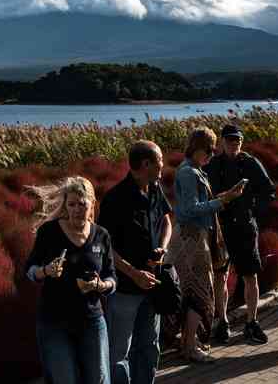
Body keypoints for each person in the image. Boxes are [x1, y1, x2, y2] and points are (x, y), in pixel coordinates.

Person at [25, 176, 117, 384]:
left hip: (92, 320)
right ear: (65, 205)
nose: (76, 209)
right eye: (71, 204)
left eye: (82, 203)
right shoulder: (49, 232)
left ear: (92, 203)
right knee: (65, 379)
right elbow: (29, 271)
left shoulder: (102, 235)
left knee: (99, 379)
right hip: (54, 322)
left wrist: (101, 285)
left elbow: (112, 277)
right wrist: (46, 271)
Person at [168, 127, 244, 363]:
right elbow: (191, 210)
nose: (212, 155)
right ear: (198, 148)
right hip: (192, 239)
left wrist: (224, 196)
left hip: (195, 237)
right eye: (209, 150)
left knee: (195, 291)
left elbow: (198, 204)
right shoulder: (189, 173)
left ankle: (188, 342)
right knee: (198, 292)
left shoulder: (193, 170)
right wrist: (224, 201)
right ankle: (190, 346)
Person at [99, 141, 172, 384]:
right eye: (160, 160)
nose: (164, 164)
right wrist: (134, 273)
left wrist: (163, 245)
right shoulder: (115, 200)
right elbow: (105, 249)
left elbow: (166, 221)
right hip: (124, 292)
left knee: (150, 348)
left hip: (152, 287)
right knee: (120, 354)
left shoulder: (155, 188)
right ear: (146, 164)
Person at [205, 124, 276, 346]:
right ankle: (222, 321)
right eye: (229, 140)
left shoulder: (250, 163)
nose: (234, 144)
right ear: (222, 143)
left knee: (250, 275)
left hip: (245, 227)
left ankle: (252, 322)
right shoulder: (213, 165)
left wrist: (252, 211)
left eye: (237, 140)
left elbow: (268, 190)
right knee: (220, 276)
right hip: (220, 228)